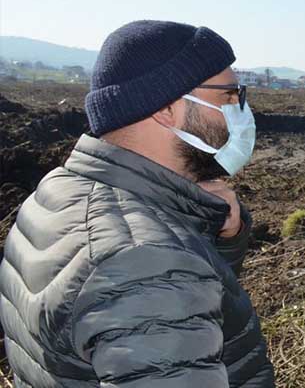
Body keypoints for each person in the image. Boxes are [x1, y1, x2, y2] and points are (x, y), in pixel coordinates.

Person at [0, 20, 275, 387]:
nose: (241, 109)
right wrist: (176, 258)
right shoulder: (146, 262)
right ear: (167, 109)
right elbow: (155, 291)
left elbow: (180, 318)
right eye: (228, 95)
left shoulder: (58, 191)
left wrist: (217, 238)